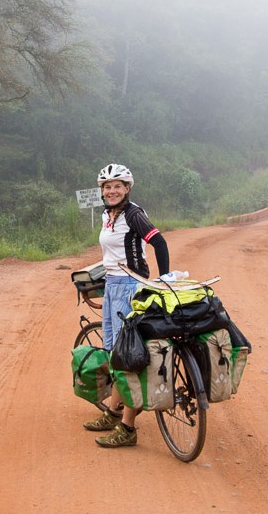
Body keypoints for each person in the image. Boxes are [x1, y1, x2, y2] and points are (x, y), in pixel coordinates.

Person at [84, 163, 170, 448]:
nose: (111, 191)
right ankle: (113, 411)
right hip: (112, 285)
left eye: (117, 186)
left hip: (130, 287)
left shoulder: (133, 215)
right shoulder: (108, 215)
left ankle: (128, 428)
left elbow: (158, 242)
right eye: (107, 187)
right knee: (113, 354)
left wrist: (164, 277)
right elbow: (111, 254)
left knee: (129, 357)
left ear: (127, 188)